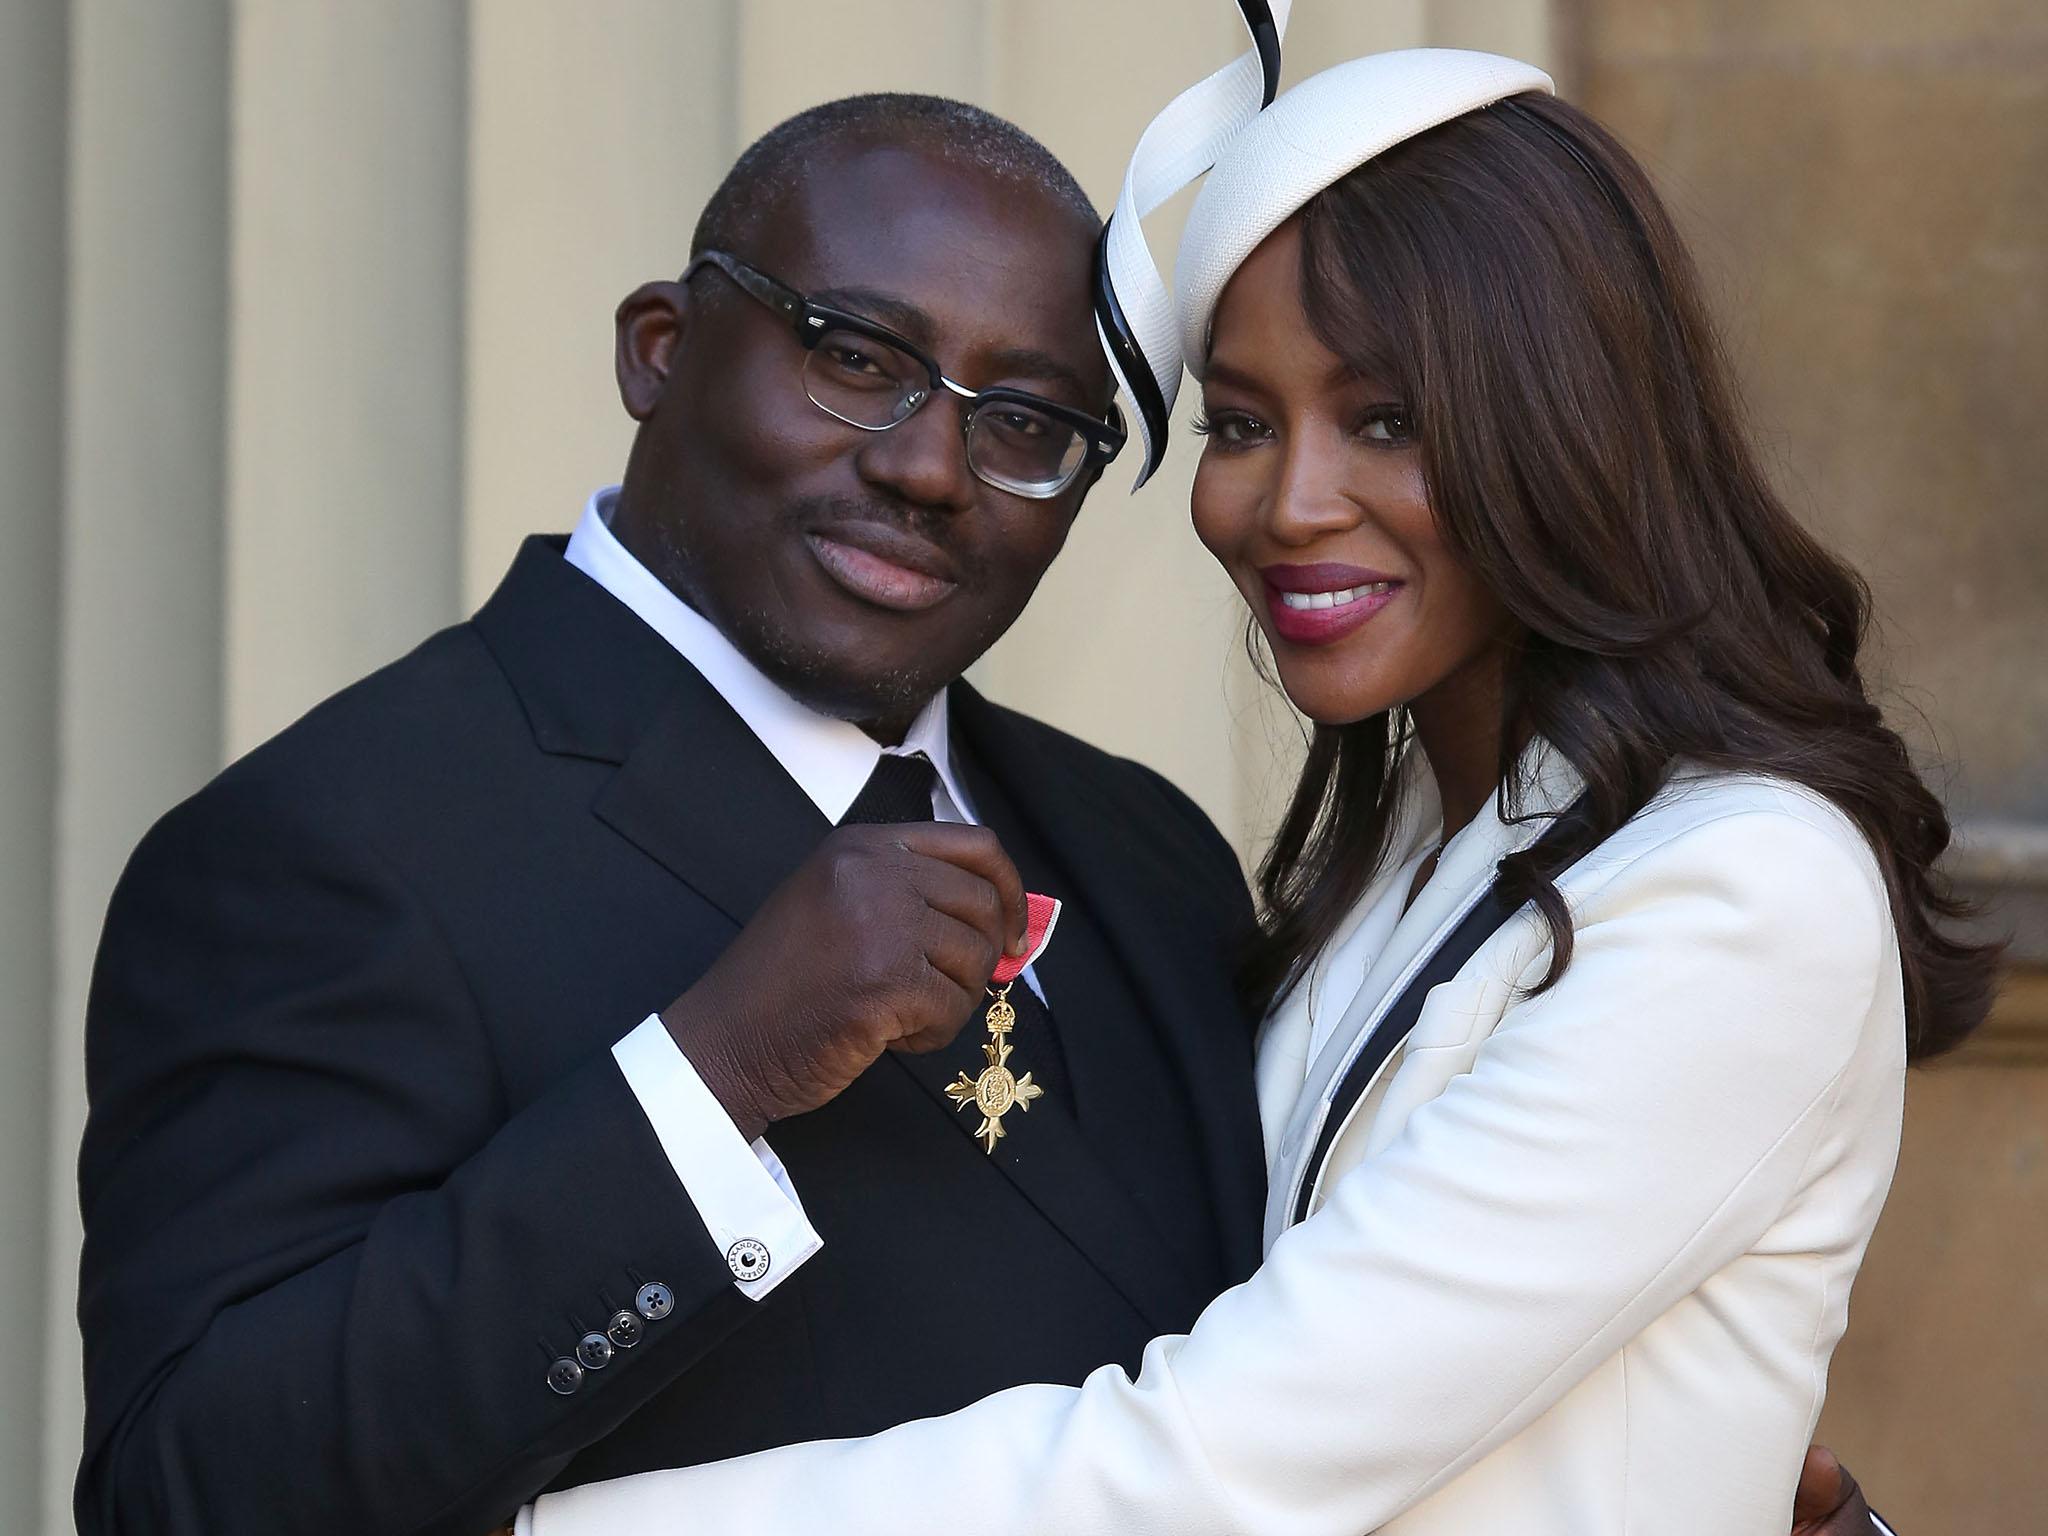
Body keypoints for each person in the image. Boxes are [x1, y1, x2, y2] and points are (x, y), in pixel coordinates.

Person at [514, 47, 1994, 1536]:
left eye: (1388, 419)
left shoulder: (1741, 889)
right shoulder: (1421, 844)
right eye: (1239, 422)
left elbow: (1213, 1472)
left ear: (1568, 424)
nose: (1286, 506)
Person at [74, 95, 1267, 1536]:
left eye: (1023, 425)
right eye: (854, 358)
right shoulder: (325, 843)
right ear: (660, 349)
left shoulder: (1154, 854)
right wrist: (710, 1081)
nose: (930, 471)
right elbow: (191, 1493)